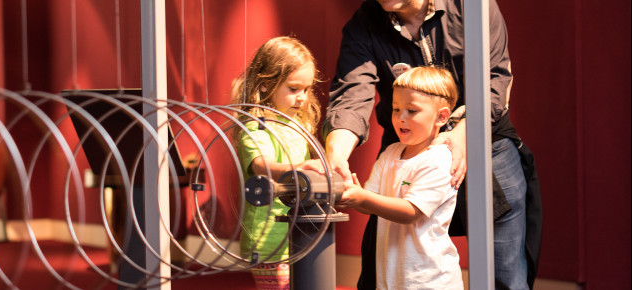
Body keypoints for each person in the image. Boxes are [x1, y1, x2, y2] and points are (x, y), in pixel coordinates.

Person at [323, 0, 542, 289]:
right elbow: (352, 96)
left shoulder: (471, 6)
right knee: (385, 261)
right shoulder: (364, 23)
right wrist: (336, 155)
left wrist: (463, 133)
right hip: (407, 148)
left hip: (485, 136)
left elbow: (495, 79)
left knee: (504, 269)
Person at [338, 66, 463, 289]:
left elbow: (410, 211)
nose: (400, 118)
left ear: (442, 116)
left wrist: (363, 198)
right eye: (396, 110)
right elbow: (371, 202)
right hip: (392, 278)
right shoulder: (390, 153)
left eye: (411, 111)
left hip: (429, 281)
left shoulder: (439, 159)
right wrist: (353, 194)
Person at [231, 36, 325, 290]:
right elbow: (261, 164)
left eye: (306, 89)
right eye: (293, 89)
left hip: (299, 231)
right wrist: (297, 169)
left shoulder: (299, 125)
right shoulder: (256, 126)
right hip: (269, 239)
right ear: (265, 85)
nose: (302, 98)